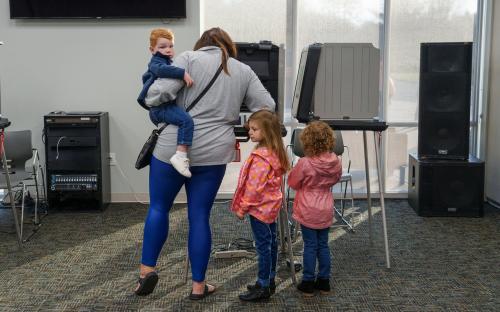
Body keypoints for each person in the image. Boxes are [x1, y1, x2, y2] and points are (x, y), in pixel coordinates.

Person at [134, 27, 276, 300]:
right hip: (214, 152)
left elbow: (154, 97)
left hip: (172, 149)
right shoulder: (242, 70)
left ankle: (145, 274)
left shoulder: (187, 58)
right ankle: (198, 286)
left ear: (201, 45)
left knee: (159, 208)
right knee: (199, 215)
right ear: (227, 47)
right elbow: (266, 105)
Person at [231, 110, 290, 302]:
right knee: (271, 243)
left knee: (263, 247)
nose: (250, 132)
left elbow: (253, 188)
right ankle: (269, 279)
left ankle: (263, 285)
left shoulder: (261, 159)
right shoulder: (274, 153)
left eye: (255, 129)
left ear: (267, 132)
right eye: (250, 129)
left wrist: (242, 208)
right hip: (270, 208)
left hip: (259, 209)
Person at [287, 121, 343, 296]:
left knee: (310, 245)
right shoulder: (336, 161)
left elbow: (293, 183)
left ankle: (308, 282)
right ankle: (324, 281)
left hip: (308, 207)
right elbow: (335, 179)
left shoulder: (305, 162)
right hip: (325, 206)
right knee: (323, 245)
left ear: (308, 142)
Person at [137, 28, 195, 178]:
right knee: (186, 121)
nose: (168, 50)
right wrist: (182, 73)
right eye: (162, 47)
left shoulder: (167, 60)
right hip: (159, 108)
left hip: (163, 107)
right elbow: (161, 70)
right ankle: (180, 155)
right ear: (152, 49)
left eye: (171, 46)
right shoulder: (155, 62)